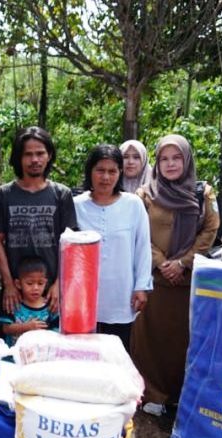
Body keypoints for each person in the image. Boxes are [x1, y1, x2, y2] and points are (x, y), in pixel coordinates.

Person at [131, 134, 220, 418]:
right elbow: (140, 232)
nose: (170, 164)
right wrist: (162, 262)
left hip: (188, 282)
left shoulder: (203, 193)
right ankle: (152, 393)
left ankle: (180, 395)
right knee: (150, 339)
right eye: (165, 159)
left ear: (187, 159)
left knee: (184, 340)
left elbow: (210, 230)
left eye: (177, 158)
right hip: (155, 280)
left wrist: (183, 262)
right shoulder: (145, 195)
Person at [0, 127, 77, 345]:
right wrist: (9, 284)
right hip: (16, 288)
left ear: (49, 156)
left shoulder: (61, 195)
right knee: (5, 345)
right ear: (19, 158)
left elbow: (70, 244)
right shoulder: (4, 194)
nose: (35, 159)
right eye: (28, 154)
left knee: (50, 347)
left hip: (49, 291)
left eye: (40, 153)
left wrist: (58, 284)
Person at [73, 144, 153, 350]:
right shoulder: (76, 205)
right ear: (90, 171)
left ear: (120, 173)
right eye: (100, 170)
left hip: (121, 293)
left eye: (112, 171)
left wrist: (141, 286)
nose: (105, 177)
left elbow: (143, 248)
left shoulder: (133, 204)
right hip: (83, 294)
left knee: (117, 352)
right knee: (83, 352)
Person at [0, 257, 60, 346]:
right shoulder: (13, 304)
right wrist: (26, 327)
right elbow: (6, 328)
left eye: (40, 283)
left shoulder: (51, 305)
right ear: (18, 284)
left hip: (43, 356)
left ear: (46, 283)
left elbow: (57, 330)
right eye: (30, 283)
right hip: (14, 357)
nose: (35, 288)